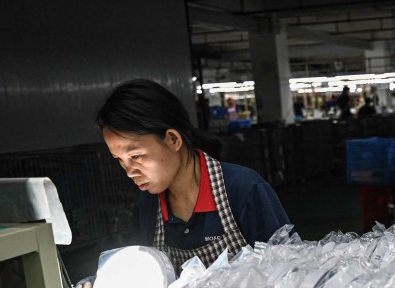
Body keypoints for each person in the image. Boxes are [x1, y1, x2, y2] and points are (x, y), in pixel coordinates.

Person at [96, 79, 290, 272]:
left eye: (136, 156)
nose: (129, 171)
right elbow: (144, 276)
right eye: (119, 159)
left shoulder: (242, 190)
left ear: (173, 139)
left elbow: (288, 271)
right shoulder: (147, 207)